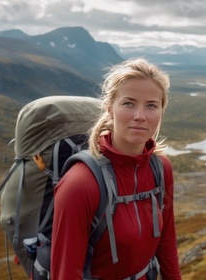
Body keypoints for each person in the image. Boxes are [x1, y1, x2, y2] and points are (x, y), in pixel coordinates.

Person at [51, 58, 182, 279]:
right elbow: (65, 273)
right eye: (129, 103)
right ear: (110, 109)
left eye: (151, 105)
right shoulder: (80, 184)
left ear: (161, 111)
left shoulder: (161, 168)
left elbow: (166, 242)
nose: (140, 115)